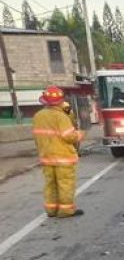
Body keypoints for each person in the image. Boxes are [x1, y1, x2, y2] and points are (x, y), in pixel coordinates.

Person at [31, 86, 85, 217]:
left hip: (46, 157)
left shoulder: (38, 116)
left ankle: (51, 210)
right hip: (63, 157)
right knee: (65, 184)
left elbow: (36, 137)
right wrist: (79, 134)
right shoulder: (60, 116)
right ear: (61, 101)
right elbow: (68, 136)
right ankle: (65, 210)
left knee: (50, 185)